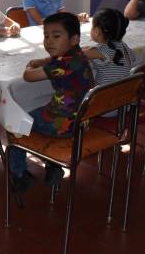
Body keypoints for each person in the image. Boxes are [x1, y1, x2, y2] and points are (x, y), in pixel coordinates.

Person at [7, 12, 95, 191]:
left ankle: (19, 174)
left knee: (15, 124)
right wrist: (45, 60)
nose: (49, 41)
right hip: (83, 120)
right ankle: (52, 164)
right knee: (36, 112)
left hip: (62, 124)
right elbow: (56, 61)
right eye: (46, 36)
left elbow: (28, 76)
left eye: (56, 36)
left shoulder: (61, 65)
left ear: (74, 39)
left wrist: (30, 65)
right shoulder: (79, 54)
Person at [84, 8, 135, 116]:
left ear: (97, 32)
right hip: (124, 105)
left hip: (105, 108)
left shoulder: (101, 50)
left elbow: (72, 55)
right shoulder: (125, 47)